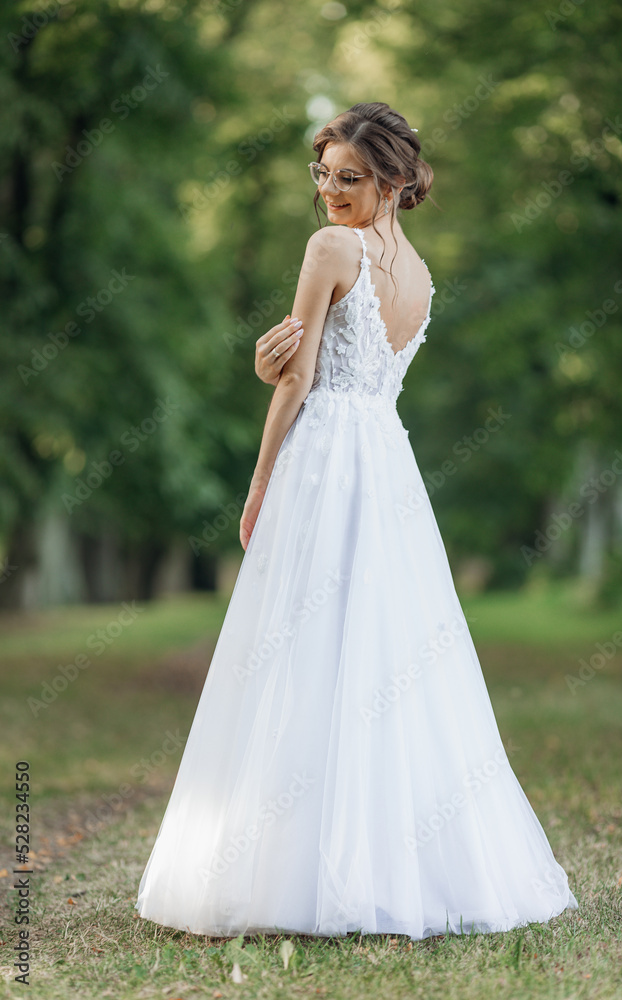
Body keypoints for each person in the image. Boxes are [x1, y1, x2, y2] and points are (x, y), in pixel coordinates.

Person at [135, 102, 578, 939]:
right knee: (382, 648)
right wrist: (280, 363)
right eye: (323, 174)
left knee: (302, 646)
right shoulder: (419, 272)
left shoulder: (330, 248)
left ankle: (288, 868)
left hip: (327, 456)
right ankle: (382, 858)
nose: (330, 192)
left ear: (395, 182)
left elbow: (297, 381)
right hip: (385, 459)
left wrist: (260, 480)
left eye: (351, 178)